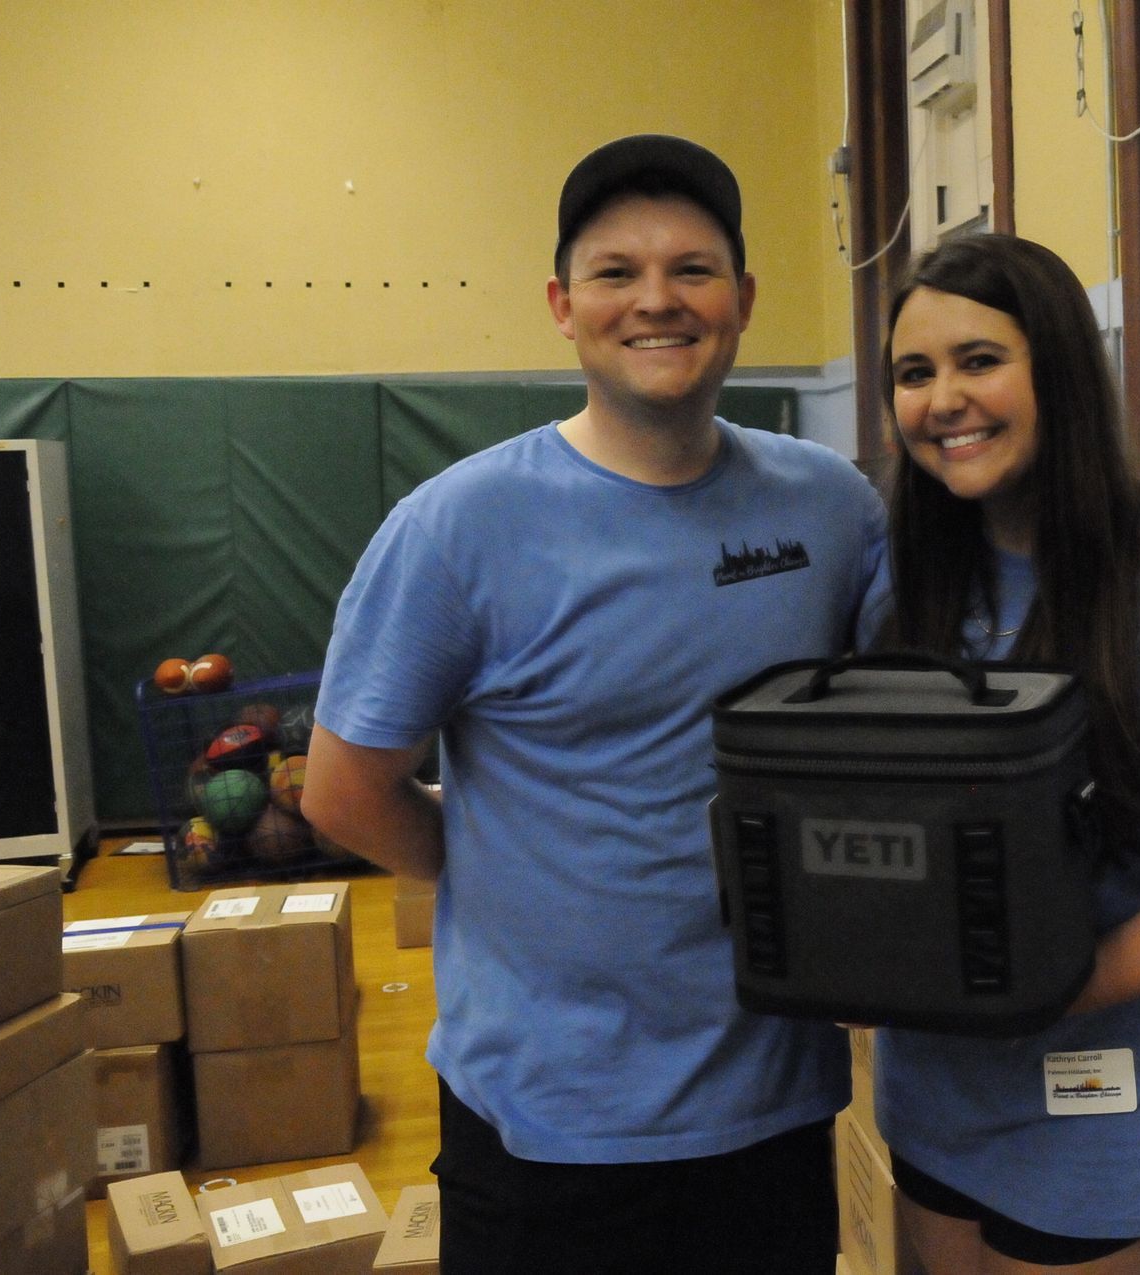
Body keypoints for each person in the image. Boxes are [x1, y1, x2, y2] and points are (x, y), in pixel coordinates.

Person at [302, 134, 885, 1275]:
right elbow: (343, 790)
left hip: (771, 1108)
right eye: (617, 273)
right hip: (548, 1122)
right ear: (564, 306)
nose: (656, 300)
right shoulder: (456, 529)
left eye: (693, 269)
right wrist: (508, 882)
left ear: (745, 301)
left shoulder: (832, 509)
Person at [866, 232, 1140, 1274]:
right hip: (933, 1098)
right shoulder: (901, 585)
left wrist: (1028, 994)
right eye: (914, 374)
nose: (944, 399)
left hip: (1101, 1107)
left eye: (979, 360)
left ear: (1055, 369)